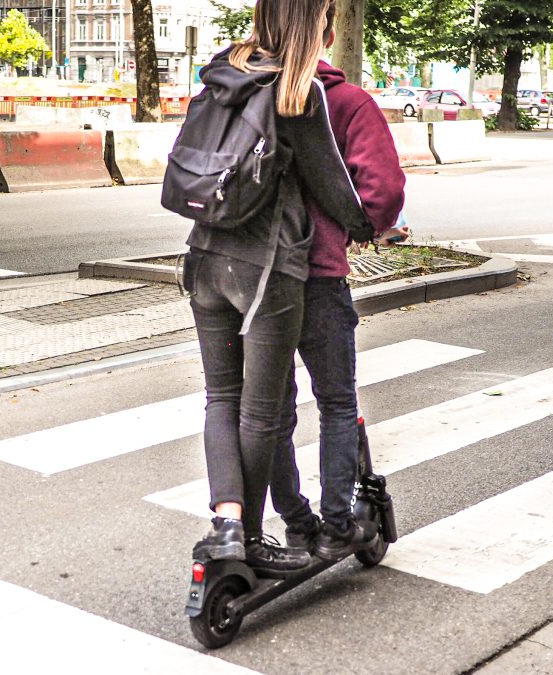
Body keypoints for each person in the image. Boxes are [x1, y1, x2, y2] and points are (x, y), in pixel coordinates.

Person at [185, 0, 373, 572]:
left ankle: (226, 524)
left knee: (222, 397)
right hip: (267, 271)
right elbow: (333, 185)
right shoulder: (298, 92)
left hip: (204, 257)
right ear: (314, 23)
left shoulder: (222, 75)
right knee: (263, 414)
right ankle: (245, 539)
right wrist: (368, 226)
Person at [267, 15, 408, 561]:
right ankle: (336, 520)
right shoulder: (344, 101)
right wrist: (363, 226)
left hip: (253, 278)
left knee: (271, 411)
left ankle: (295, 522)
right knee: (336, 401)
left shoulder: (241, 92)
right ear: (324, 34)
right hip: (318, 273)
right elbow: (384, 187)